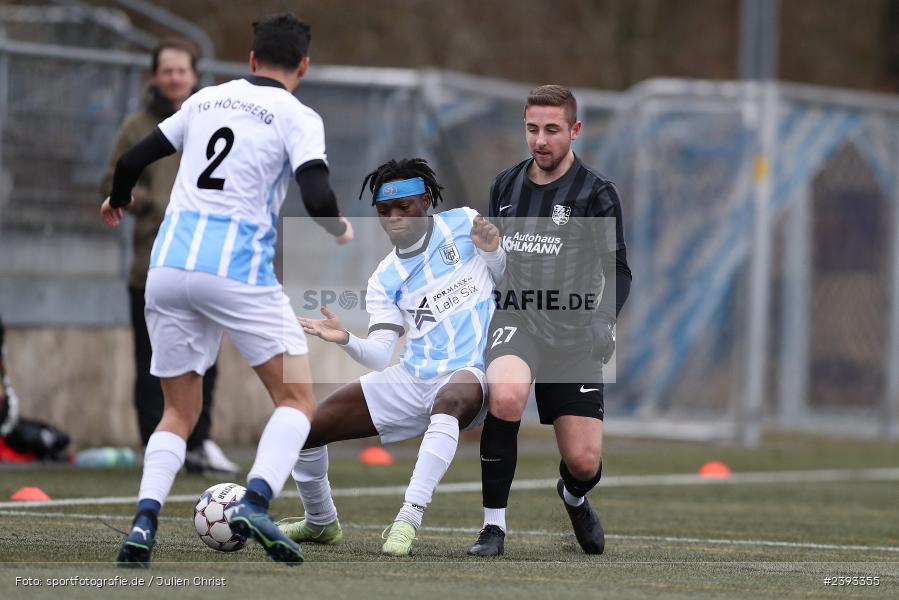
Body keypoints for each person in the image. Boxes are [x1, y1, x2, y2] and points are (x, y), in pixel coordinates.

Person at [102, 13, 353, 566]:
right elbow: (314, 191)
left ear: (251, 58)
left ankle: (143, 523)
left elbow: (131, 159)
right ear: (303, 67)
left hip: (166, 270)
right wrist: (336, 226)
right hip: (235, 270)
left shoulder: (205, 99)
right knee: (296, 400)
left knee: (177, 413)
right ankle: (257, 502)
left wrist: (118, 198)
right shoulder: (298, 114)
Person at [279, 158, 504, 557]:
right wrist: (346, 338)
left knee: (449, 401)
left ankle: (407, 520)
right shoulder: (383, 278)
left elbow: (502, 278)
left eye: (406, 207)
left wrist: (493, 253)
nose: (395, 218)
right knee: (306, 427)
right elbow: (381, 357)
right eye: (385, 211)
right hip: (413, 376)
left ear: (428, 200)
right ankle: (320, 523)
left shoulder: (464, 223)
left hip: (471, 373)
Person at [467, 85, 632, 556]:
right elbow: (496, 264)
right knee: (508, 397)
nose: (540, 140)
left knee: (583, 461)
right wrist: (491, 250)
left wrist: (605, 320)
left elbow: (618, 269)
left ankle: (573, 496)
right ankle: (492, 528)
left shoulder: (597, 194)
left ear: (574, 131)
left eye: (552, 130)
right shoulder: (505, 186)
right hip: (516, 317)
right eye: (532, 128)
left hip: (575, 331)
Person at [101, 38, 238, 476]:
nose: (175, 78)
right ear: (155, 76)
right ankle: (156, 446)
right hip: (152, 263)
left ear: (195, 75)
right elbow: (114, 177)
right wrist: (152, 202)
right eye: (167, 71)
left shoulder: (215, 120)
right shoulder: (136, 126)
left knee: (207, 358)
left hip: (208, 261)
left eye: (182, 70)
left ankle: (201, 442)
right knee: (152, 361)